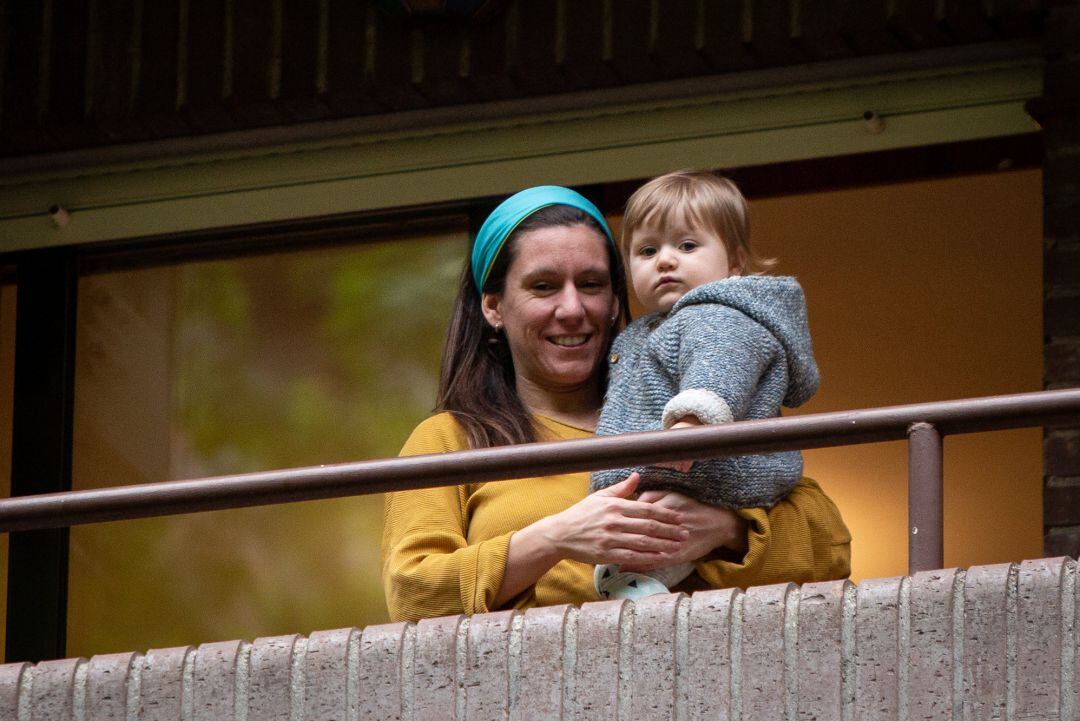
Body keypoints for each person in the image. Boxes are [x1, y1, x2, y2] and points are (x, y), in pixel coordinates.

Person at [381, 185, 850, 623]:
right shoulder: (450, 438)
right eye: (543, 286)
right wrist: (557, 537)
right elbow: (413, 594)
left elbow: (832, 548)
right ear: (494, 307)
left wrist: (726, 531)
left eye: (591, 284)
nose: (572, 309)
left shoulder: (685, 405)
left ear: (612, 299)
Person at [590, 170, 819, 600]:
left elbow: (720, 367)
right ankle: (652, 575)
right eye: (647, 250)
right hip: (686, 474)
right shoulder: (650, 329)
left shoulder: (717, 314)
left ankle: (643, 579)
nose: (665, 260)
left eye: (687, 245)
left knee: (647, 537)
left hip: (710, 464)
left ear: (734, 261)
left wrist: (693, 425)